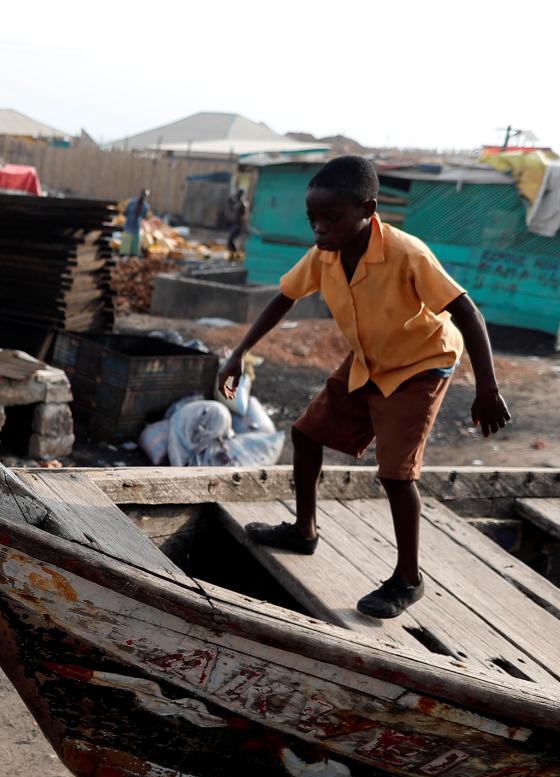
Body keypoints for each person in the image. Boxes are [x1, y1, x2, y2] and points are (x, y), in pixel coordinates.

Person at [217, 155, 511, 619]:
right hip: (370, 358)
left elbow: (467, 312)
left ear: (368, 209)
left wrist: (487, 388)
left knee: (396, 474)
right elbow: (284, 298)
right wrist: (238, 352)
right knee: (305, 434)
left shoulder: (406, 253)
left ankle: (409, 578)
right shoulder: (325, 254)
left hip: (420, 365)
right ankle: (304, 530)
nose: (319, 229)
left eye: (330, 219)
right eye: (313, 219)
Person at [121, 188, 151, 257]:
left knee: (133, 248)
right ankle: (125, 257)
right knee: (127, 246)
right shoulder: (133, 203)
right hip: (130, 226)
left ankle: (131, 258)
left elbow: (144, 216)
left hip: (135, 228)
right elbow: (126, 212)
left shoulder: (144, 206)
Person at [226, 188, 248, 259]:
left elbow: (243, 216)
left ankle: (236, 254)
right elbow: (232, 208)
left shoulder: (242, 204)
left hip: (238, 225)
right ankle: (234, 255)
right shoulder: (237, 203)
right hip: (234, 224)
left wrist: (241, 225)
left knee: (230, 240)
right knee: (230, 240)